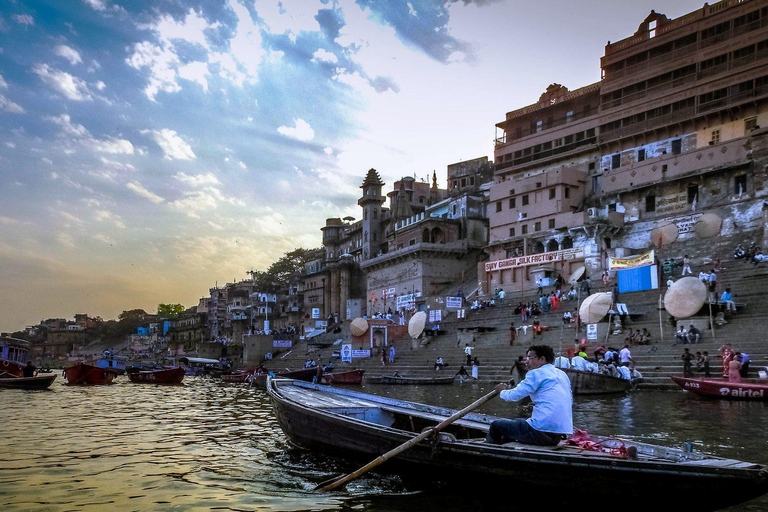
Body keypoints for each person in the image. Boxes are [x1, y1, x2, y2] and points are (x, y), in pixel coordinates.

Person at [486, 345, 573, 446]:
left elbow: (514, 395)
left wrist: (501, 392)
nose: (526, 361)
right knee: (518, 422)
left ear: (542, 359)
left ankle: (487, 450)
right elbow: (567, 400)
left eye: (530, 358)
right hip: (558, 436)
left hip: (540, 432)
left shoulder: (535, 373)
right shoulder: (562, 374)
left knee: (496, 425)